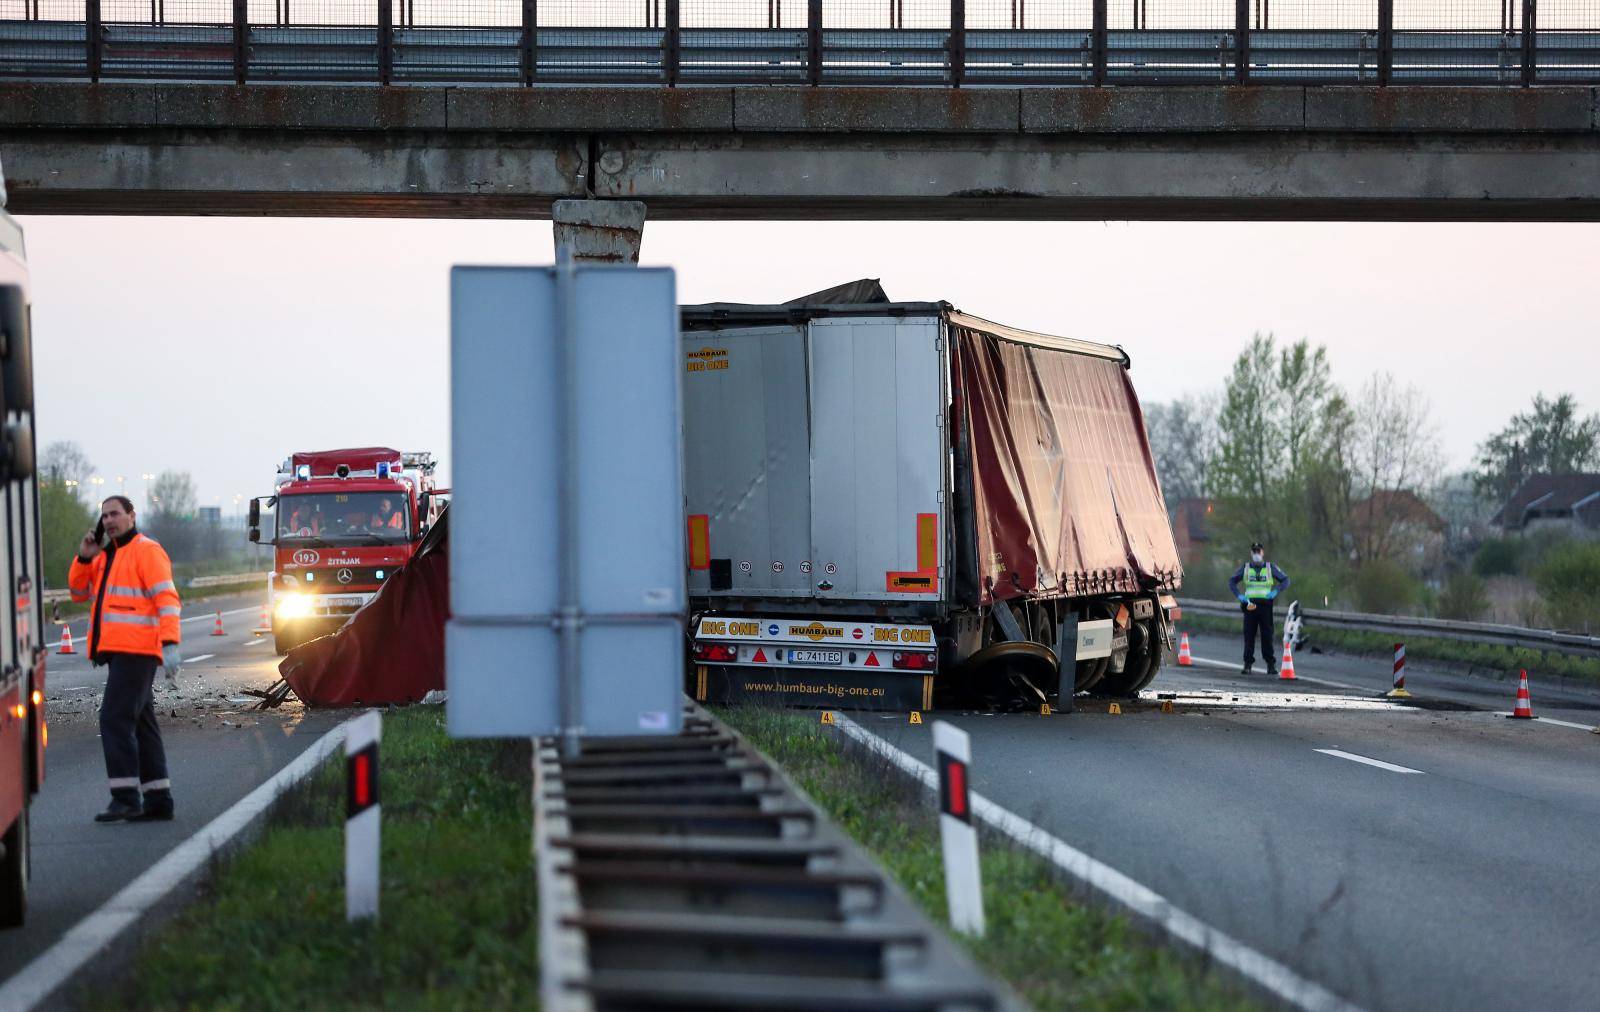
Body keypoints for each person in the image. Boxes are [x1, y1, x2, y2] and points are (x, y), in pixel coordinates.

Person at [67, 496, 183, 823]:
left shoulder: (146, 551)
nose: (108, 521)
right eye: (104, 516)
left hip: (139, 650)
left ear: (132, 516)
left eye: (115, 514)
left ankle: (126, 798)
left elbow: (167, 599)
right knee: (142, 724)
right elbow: (77, 594)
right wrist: (83, 557)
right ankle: (159, 800)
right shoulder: (106, 556)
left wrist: (170, 642)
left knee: (114, 719)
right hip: (120, 653)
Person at [1228, 541, 1290, 676]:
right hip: (1249, 605)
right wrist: (1239, 595)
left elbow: (1285, 580)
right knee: (1249, 635)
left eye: (1258, 551)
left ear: (1262, 553)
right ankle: (1248, 664)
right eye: (1254, 551)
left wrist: (1276, 591)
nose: (1256, 554)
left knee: (1267, 635)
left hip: (1265, 605)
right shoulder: (1245, 568)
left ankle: (1270, 664)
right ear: (1251, 553)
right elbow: (1232, 581)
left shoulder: (1270, 567)